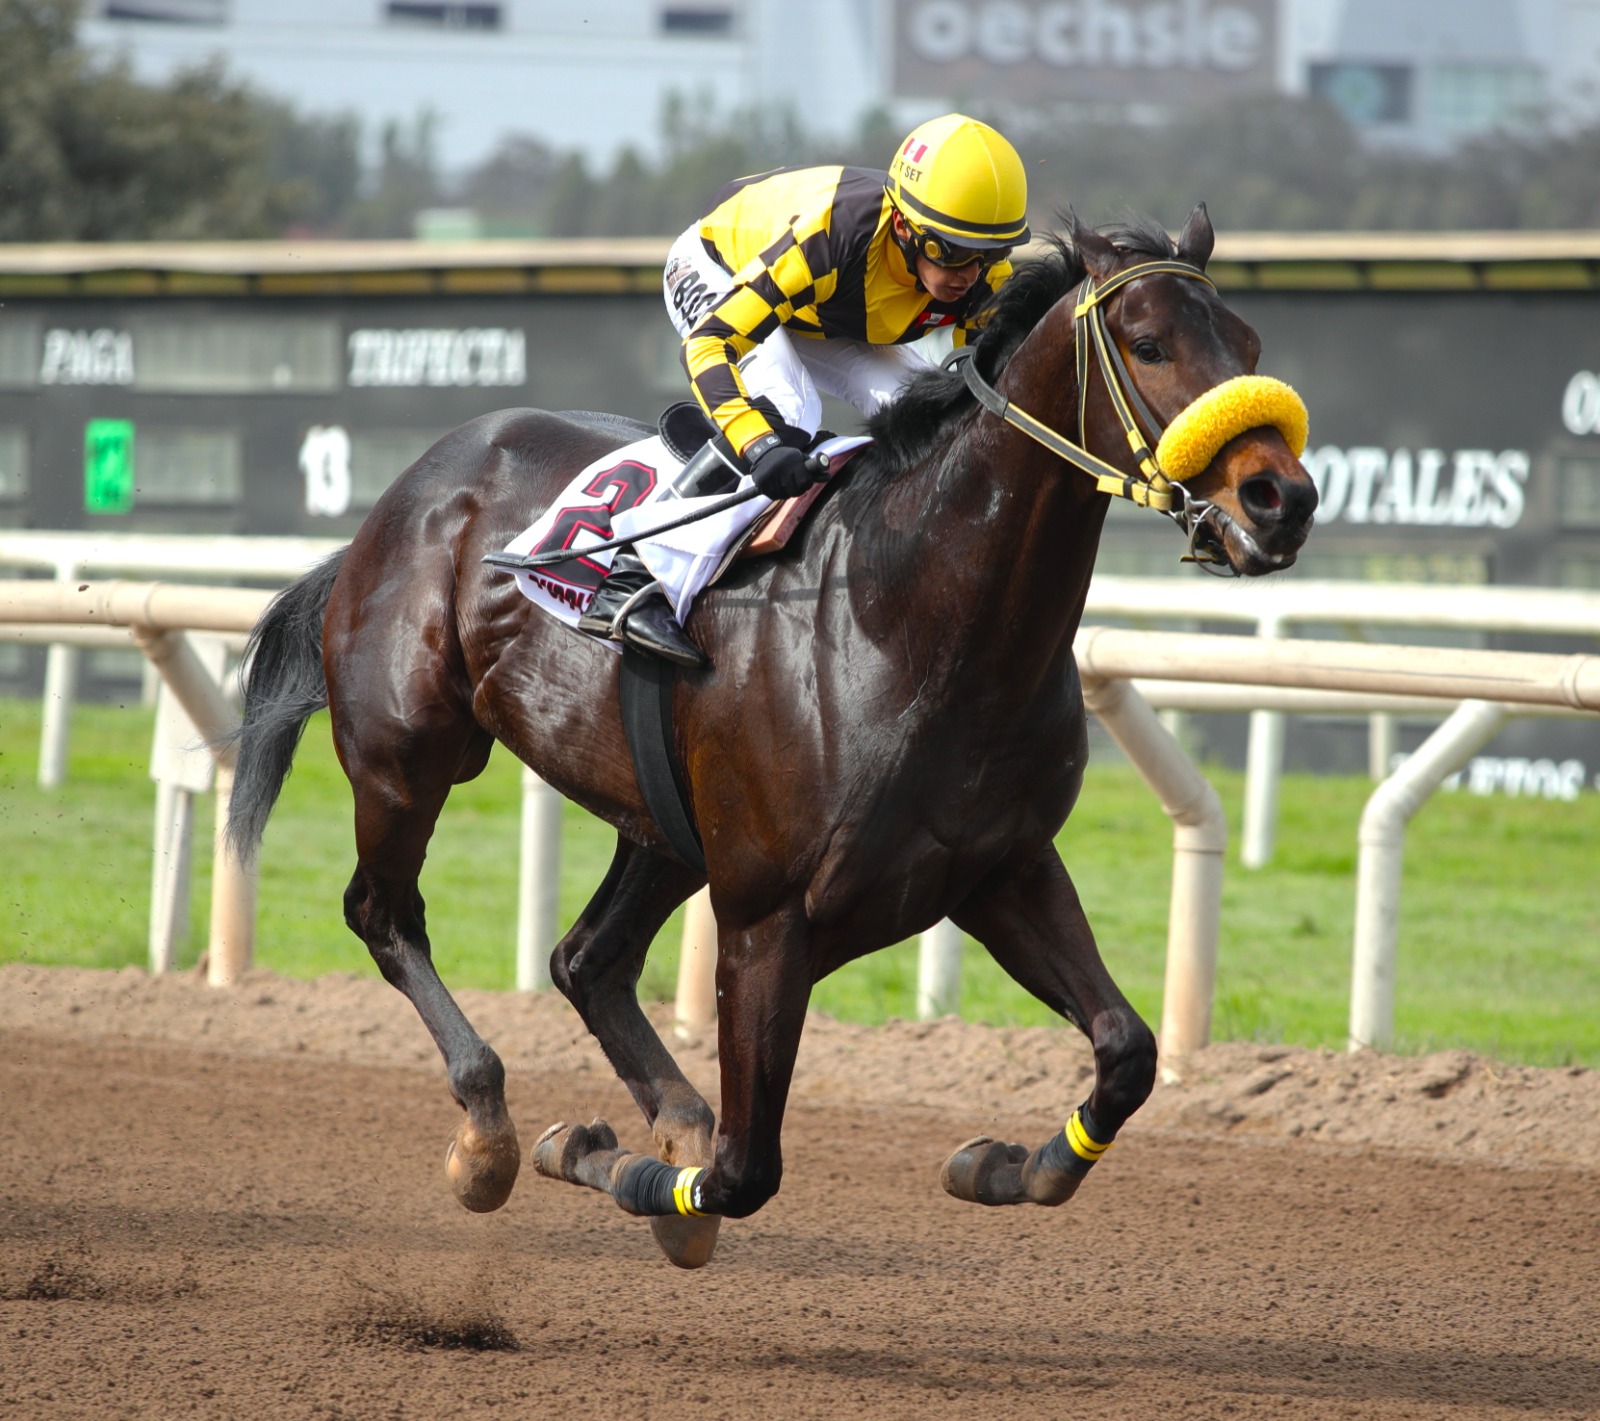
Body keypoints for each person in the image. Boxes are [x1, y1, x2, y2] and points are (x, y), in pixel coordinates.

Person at [577, 112, 1031, 666]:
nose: (970, 274)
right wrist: (760, 446)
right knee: (788, 412)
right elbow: (708, 344)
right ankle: (629, 576)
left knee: (925, 415)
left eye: (989, 255)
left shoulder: (983, 276)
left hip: (817, 308)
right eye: (951, 251)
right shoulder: (832, 236)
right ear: (903, 226)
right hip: (719, 267)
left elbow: (975, 390)